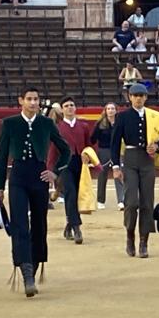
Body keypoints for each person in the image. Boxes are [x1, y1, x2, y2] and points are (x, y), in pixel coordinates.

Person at [0, 86, 71, 298]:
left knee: (39, 223)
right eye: (29, 99)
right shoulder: (10, 123)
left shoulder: (46, 123)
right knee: (19, 224)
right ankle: (26, 272)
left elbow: (66, 150)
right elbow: (2, 157)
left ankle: (33, 269)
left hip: (39, 177)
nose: (33, 102)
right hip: (18, 177)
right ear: (21, 101)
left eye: (36, 99)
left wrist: (55, 172)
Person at [112, 84, 159, 258]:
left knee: (147, 203)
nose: (139, 98)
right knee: (131, 202)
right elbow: (115, 142)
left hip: (147, 161)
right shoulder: (122, 117)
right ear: (130, 97)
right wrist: (115, 167)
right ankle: (130, 235)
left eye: (142, 95)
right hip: (130, 159)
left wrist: (157, 146)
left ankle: (144, 241)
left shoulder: (153, 116)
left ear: (146, 97)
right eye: (135, 95)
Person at [53, 97, 94, 244]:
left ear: (75, 108)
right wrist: (51, 170)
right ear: (62, 110)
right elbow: (53, 149)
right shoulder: (57, 128)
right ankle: (77, 228)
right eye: (66, 106)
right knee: (70, 193)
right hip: (64, 165)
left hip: (80, 164)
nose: (70, 107)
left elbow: (88, 146)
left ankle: (69, 225)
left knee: (77, 196)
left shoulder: (83, 126)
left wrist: (89, 158)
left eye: (72, 105)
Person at [90, 103, 124, 210]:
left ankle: (121, 200)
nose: (110, 110)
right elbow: (93, 139)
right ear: (105, 111)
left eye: (112, 108)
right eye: (108, 109)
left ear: (116, 110)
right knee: (102, 175)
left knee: (118, 174)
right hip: (103, 150)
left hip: (117, 150)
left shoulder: (120, 122)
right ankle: (100, 200)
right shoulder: (100, 124)